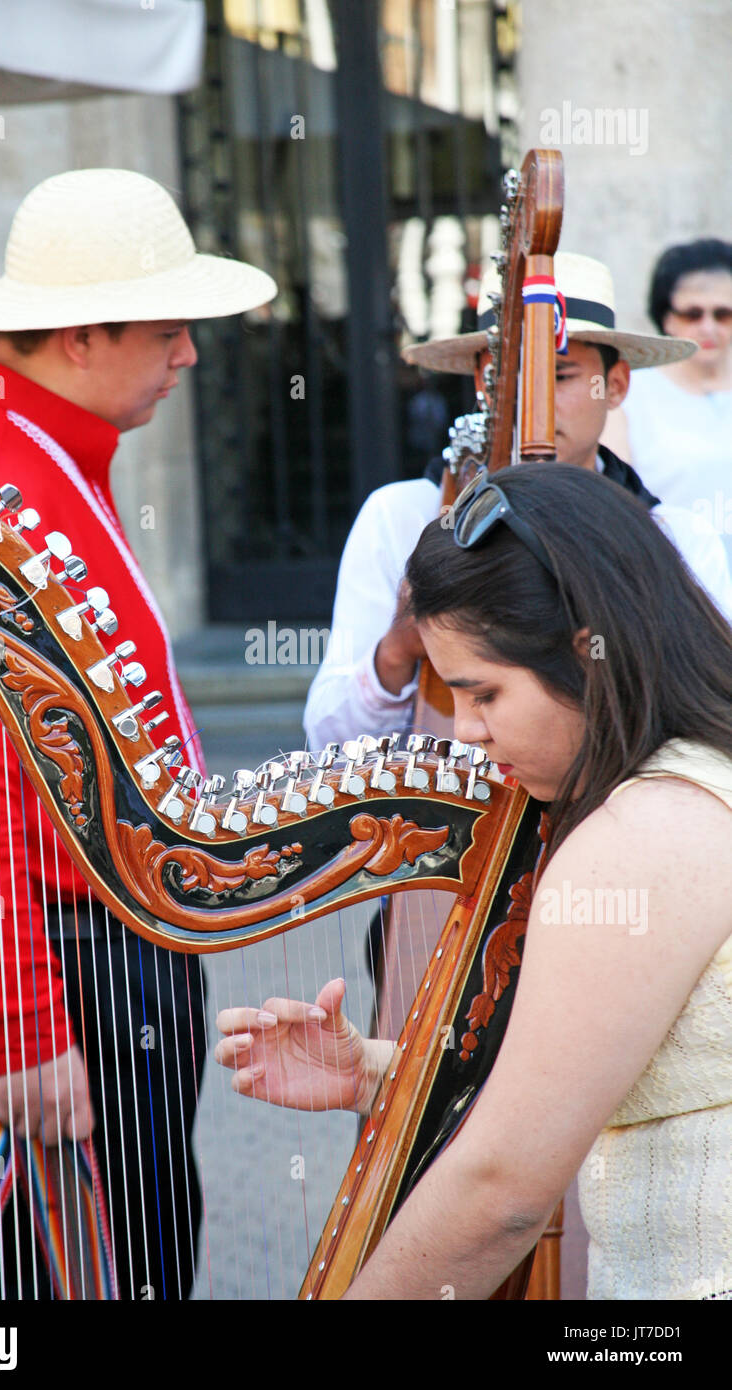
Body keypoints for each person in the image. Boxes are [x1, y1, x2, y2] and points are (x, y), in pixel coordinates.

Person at [0, 168, 276, 1299]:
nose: (188, 356)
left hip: (80, 944)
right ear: (82, 337)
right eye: (167, 331)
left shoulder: (19, 450)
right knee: (81, 1268)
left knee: (112, 1256)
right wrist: (25, 1024)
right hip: (53, 957)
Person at [216, 462, 732, 1300]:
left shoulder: (643, 836)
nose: (468, 732)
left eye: (483, 692)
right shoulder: (701, 775)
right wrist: (388, 1073)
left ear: (584, 651)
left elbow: (501, 1195)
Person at [303, 252, 732, 752]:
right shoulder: (402, 516)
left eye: (559, 376)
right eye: (510, 379)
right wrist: (396, 652)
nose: (532, 405)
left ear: (614, 386)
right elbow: (326, 743)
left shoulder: (676, 536)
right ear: (483, 387)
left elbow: (714, 719)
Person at [603, 238, 732, 568]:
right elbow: (617, 504)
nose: (709, 327)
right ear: (667, 318)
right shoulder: (626, 396)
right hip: (674, 581)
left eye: (723, 314)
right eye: (692, 314)